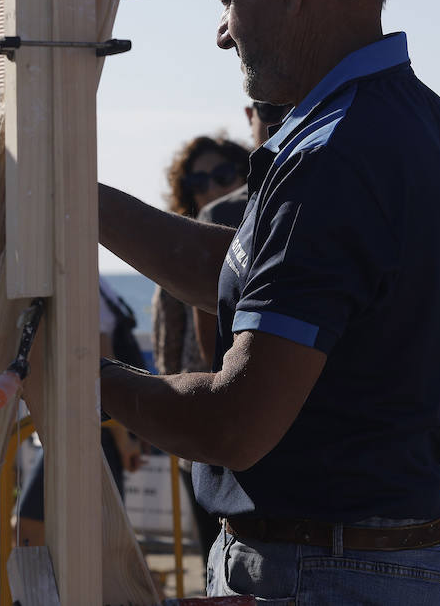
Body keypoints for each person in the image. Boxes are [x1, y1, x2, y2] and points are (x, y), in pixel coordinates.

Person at [98, 0, 440, 604]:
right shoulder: (421, 123)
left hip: (321, 571)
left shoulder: (334, 155)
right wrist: (80, 204)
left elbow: (235, 423)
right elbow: (248, 266)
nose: (221, 31)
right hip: (358, 562)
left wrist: (85, 379)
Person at [150, 131, 252, 585]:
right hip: (200, 427)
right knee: (213, 548)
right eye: (198, 181)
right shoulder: (175, 263)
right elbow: (167, 352)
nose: (210, 187)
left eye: (223, 174)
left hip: (251, 409)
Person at [16, 277, 146, 548]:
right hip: (92, 430)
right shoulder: (97, 285)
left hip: (91, 431)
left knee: (36, 528)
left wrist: (124, 442)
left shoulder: (80, 283)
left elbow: (102, 373)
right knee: (105, 539)